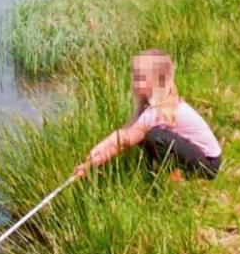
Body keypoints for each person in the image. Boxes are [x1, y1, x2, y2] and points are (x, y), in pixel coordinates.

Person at [73, 49, 222, 180]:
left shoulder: (158, 111)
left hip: (208, 164)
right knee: (146, 135)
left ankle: (176, 177)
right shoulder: (150, 105)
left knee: (154, 136)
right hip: (196, 156)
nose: (133, 81)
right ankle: (158, 172)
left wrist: (92, 165)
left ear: (157, 82)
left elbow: (125, 141)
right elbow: (123, 133)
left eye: (140, 78)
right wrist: (94, 154)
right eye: (134, 75)